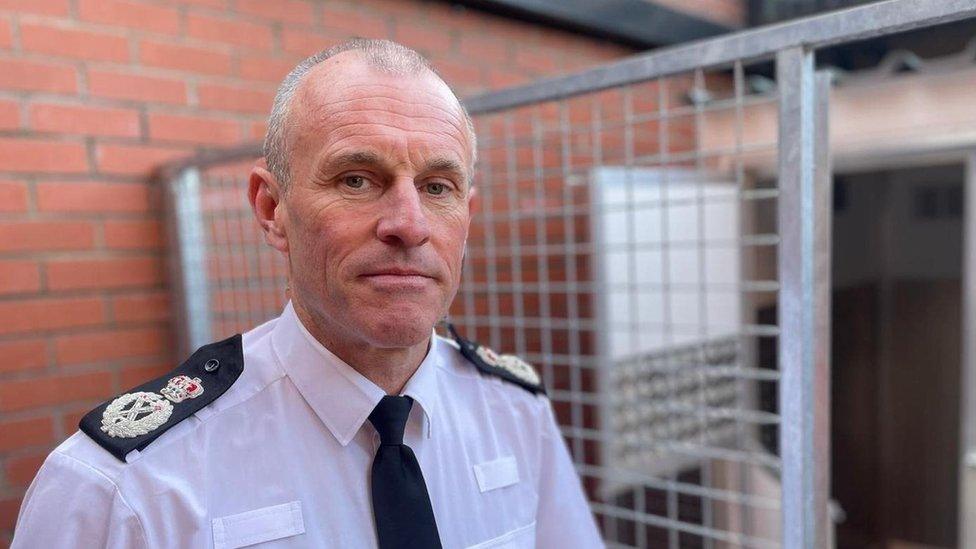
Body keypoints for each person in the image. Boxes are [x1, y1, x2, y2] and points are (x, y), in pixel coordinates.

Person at [10, 39, 603, 548]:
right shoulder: (122, 487)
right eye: (356, 179)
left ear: (466, 217)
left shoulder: (515, 412)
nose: (410, 223)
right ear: (273, 210)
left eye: (438, 186)